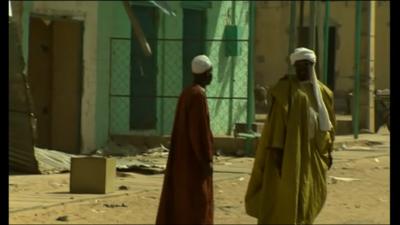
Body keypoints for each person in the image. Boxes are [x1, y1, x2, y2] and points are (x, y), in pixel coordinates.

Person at [245, 47, 336, 224]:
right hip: (289, 155)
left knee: (310, 196)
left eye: (306, 66)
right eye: (299, 66)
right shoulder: (286, 92)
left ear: (313, 66)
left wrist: (329, 150)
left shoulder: (323, 93)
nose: (302, 70)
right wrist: (278, 155)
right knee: (284, 200)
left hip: (312, 155)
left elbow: (328, 127)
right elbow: (277, 126)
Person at [156, 55, 214, 225]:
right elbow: (199, 131)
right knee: (197, 202)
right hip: (193, 160)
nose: (212, 76)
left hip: (183, 157)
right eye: (210, 73)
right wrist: (205, 159)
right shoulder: (198, 96)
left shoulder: (187, 93)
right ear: (204, 74)